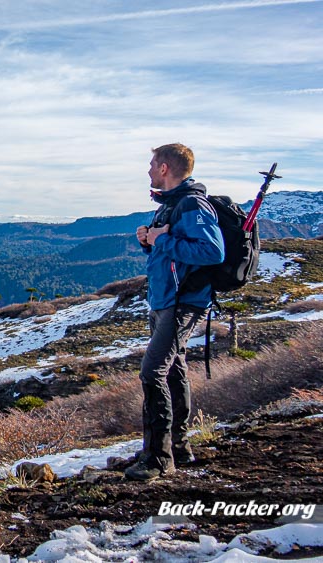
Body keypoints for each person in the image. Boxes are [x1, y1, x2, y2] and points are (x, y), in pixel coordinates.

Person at [126, 143, 225, 481]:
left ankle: (157, 458)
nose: (149, 169)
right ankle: (178, 447)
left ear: (165, 167)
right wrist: (149, 239)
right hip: (166, 299)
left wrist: (161, 240)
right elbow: (172, 254)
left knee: (152, 372)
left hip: (182, 302)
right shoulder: (170, 205)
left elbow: (212, 252)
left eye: (152, 163)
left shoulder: (192, 205)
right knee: (173, 371)